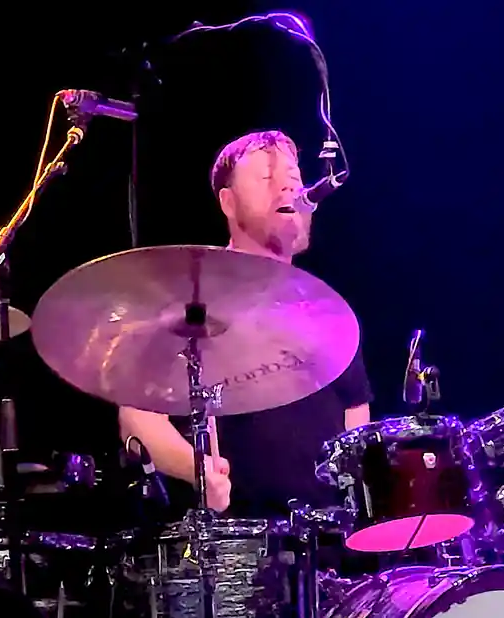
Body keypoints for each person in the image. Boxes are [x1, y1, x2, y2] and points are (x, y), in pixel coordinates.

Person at [118, 130, 372, 518]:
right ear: (228, 202)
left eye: (294, 177)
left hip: (330, 545)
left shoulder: (324, 308)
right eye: (268, 179)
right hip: (239, 550)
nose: (289, 187)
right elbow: (136, 418)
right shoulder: (191, 297)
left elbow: (355, 410)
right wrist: (199, 470)